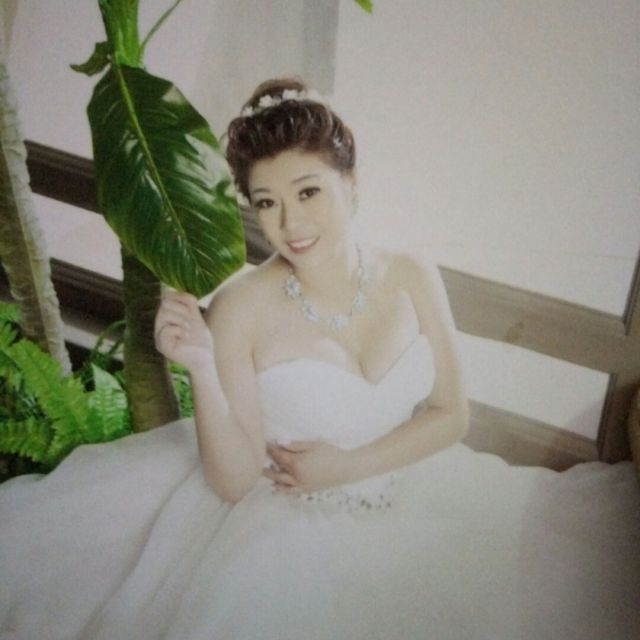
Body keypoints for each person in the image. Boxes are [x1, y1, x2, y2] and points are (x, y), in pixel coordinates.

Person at [1, 79, 639, 640]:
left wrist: (348, 467)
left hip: (413, 492)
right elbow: (233, 480)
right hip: (282, 523)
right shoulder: (241, 308)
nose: (289, 223)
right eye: (267, 202)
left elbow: (452, 413)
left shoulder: (412, 272)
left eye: (308, 192)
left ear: (351, 184)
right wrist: (199, 363)